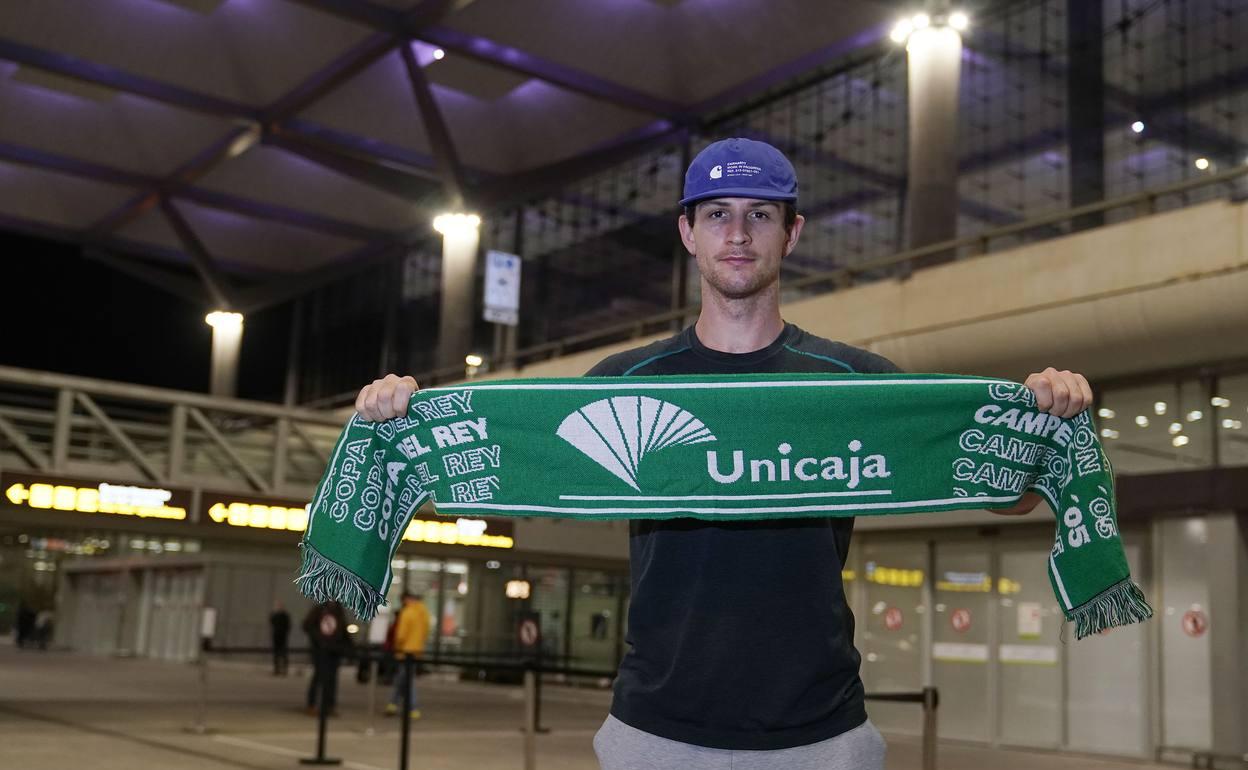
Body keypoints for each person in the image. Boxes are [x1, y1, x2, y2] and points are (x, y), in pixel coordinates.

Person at [352, 138, 1093, 769]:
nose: (738, 234)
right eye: (718, 215)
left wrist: (1041, 416)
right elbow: (476, 475)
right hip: (656, 735)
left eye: (760, 215)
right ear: (688, 233)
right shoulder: (620, 384)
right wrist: (402, 418)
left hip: (821, 738)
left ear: (791, 233)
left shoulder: (855, 386)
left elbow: (1006, 494)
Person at [385, 592, 431, 719]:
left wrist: (397, 647)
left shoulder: (407, 613)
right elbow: (426, 631)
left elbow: (401, 635)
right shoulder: (424, 613)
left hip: (405, 651)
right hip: (417, 651)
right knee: (402, 679)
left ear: (406, 600)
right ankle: (392, 704)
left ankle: (412, 708)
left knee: (406, 681)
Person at [302, 600, 352, 717]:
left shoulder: (339, 610)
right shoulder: (319, 609)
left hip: (335, 651)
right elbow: (307, 625)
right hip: (321, 651)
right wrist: (319, 641)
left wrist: (349, 647)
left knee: (332, 680)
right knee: (319, 677)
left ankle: (330, 705)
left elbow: (343, 630)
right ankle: (312, 705)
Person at [269, 600, 291, 676]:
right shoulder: (275, 615)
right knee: (276, 654)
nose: (279, 607)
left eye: (280, 606)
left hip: (283, 636)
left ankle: (284, 669)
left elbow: (288, 625)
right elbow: (271, 622)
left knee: (283, 653)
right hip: (276, 636)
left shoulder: (285, 615)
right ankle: (276, 669)